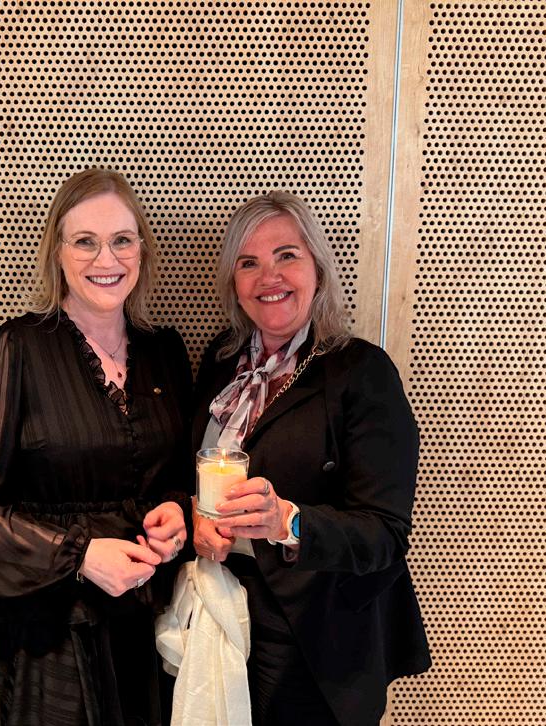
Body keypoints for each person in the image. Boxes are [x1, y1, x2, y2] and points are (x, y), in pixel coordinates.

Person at [0, 168, 192, 726]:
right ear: (57, 251)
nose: (107, 259)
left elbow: (174, 475)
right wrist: (80, 556)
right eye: (85, 241)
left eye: (122, 240)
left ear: (142, 249)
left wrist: (176, 514)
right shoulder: (13, 353)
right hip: (50, 634)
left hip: (146, 628)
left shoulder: (164, 353)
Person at [191, 191, 431, 725]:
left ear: (317, 268)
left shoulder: (361, 372)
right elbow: (194, 467)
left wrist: (288, 521)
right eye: (248, 263)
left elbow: (385, 534)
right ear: (233, 282)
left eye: (287, 255)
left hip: (315, 634)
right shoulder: (221, 361)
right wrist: (196, 517)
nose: (268, 276)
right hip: (223, 612)